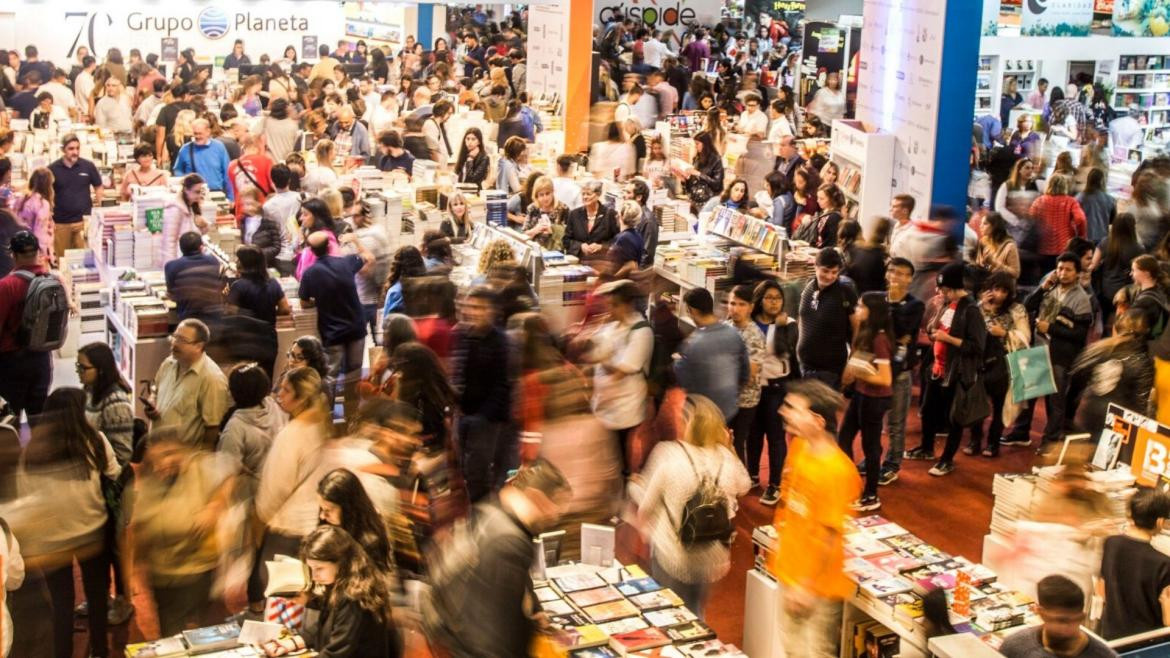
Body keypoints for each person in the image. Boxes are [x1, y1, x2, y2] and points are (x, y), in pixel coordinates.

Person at [4, 388, 120, 658]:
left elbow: (23, 491)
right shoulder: (95, 441)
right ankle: (100, 651)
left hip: (52, 540)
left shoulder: (33, 451)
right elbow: (115, 473)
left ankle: (63, 653)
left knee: (62, 604)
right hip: (92, 533)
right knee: (97, 598)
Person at [423, 458, 570, 656]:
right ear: (537, 497)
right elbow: (493, 635)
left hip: (453, 635)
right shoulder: (508, 542)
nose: (556, 516)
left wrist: (535, 611)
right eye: (556, 507)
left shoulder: (491, 510)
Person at [636, 394, 750, 618]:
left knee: (668, 615)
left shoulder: (667, 454)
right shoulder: (726, 458)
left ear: (686, 422)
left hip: (673, 554)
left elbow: (645, 508)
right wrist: (730, 448)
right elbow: (744, 486)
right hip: (712, 557)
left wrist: (635, 486)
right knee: (697, 611)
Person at [770, 379, 861, 658]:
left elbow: (829, 535)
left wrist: (806, 586)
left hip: (816, 590)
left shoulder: (836, 472)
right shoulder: (799, 447)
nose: (783, 412)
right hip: (791, 573)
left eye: (792, 408)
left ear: (818, 420)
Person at [129, 427, 233, 636]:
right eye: (157, 458)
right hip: (164, 575)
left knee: (205, 634)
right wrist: (133, 572)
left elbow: (230, 473)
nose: (163, 463)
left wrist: (214, 506)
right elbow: (136, 535)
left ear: (183, 452)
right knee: (171, 635)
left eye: (169, 454)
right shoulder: (143, 487)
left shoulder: (201, 468)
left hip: (199, 571)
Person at [248, 366, 333, 618]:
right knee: (305, 606)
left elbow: (274, 490)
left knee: (282, 607)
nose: (279, 394)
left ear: (300, 398)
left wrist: (259, 522)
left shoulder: (292, 435)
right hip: (315, 527)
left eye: (285, 389)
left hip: (287, 532)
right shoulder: (323, 427)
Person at [903, 262, 987, 475]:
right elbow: (935, 328)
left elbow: (977, 346)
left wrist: (948, 338)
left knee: (954, 418)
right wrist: (933, 331)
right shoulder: (945, 304)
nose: (939, 292)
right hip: (937, 368)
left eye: (944, 289)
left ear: (953, 288)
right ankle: (926, 447)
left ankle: (947, 458)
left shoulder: (971, 310)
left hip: (957, 372)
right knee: (929, 411)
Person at [1003, 253, 1093, 449]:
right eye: (1060, 268)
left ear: (1077, 273)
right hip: (1037, 347)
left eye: (1068, 269)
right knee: (1028, 396)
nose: (1063, 273)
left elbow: (1079, 334)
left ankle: (1050, 442)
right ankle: (1020, 433)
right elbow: (1026, 307)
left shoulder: (1082, 299)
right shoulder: (1048, 287)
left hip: (1059, 356)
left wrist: (1050, 328)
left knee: (1055, 402)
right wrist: (1041, 289)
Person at [299, 231, 375, 419]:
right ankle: (352, 413)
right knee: (354, 373)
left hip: (331, 332)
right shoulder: (346, 263)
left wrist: (319, 300)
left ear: (312, 251)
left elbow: (304, 301)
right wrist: (356, 240)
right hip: (356, 328)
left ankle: (331, 414)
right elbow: (368, 257)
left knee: (331, 375)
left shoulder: (310, 273)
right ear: (329, 245)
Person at [580, 279, 652, 476]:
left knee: (620, 452)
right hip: (604, 402)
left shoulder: (641, 331)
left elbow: (627, 366)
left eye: (614, 305)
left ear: (627, 304)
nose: (609, 309)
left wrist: (605, 362)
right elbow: (596, 353)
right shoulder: (611, 326)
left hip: (625, 404)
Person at [297, 525, 399, 657]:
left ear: (341, 562)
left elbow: (336, 653)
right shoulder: (339, 583)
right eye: (311, 568)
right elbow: (326, 629)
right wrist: (294, 642)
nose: (314, 576)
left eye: (319, 568)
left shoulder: (353, 597)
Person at [451, 286, 514, 502]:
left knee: (478, 472)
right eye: (470, 307)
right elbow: (460, 372)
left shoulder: (501, 342)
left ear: (492, 310)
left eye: (479, 307)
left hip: (488, 420)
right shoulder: (464, 335)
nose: (473, 312)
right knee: (464, 468)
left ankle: (479, 513)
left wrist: (482, 418)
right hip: (465, 415)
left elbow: (502, 385)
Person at [837, 292, 895, 512]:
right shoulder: (865, 333)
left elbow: (885, 378)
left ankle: (871, 494)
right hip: (862, 395)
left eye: (861, 306)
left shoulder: (879, 338)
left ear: (873, 311)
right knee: (844, 437)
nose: (857, 310)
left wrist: (860, 372)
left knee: (870, 447)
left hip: (875, 399)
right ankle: (851, 484)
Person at [968, 272, 1030, 458]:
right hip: (979, 361)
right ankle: (974, 440)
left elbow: (1025, 337)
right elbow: (970, 329)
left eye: (1004, 291)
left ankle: (993, 443)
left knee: (999, 405)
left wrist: (1003, 333)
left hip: (1004, 363)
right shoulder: (978, 307)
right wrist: (983, 308)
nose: (999, 295)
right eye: (996, 289)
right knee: (976, 404)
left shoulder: (1017, 310)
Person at [144, 316, 229, 449]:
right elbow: (156, 390)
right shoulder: (168, 363)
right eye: (175, 337)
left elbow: (212, 427)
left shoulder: (211, 379)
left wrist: (199, 461)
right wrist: (152, 402)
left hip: (181, 460)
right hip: (157, 451)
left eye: (182, 340)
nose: (175, 343)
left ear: (199, 346)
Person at [1098, 487, 1170, 640]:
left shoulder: (1110, 543)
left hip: (1111, 636)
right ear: (1160, 522)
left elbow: (1102, 591)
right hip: (1145, 644)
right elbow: (1168, 620)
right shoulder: (1164, 564)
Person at [0, 231, 55, 423]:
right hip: (42, 360)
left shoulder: (7, 286)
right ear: (38, 252)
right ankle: (39, 454)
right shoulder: (51, 280)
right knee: (38, 422)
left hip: (11, 364)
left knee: (9, 422)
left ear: (13, 255)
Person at [674, 287, 749, 422]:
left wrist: (677, 362)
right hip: (729, 410)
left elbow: (684, 381)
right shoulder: (733, 334)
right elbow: (744, 374)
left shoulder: (692, 344)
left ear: (692, 311)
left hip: (702, 415)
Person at [1000, 575, 1118, 658]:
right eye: (1060, 621)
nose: (1067, 629)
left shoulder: (1105, 656)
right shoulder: (1015, 647)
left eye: (1075, 620)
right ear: (1041, 613)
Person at [796, 248, 858, 397]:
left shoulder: (845, 292)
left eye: (834, 272)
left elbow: (858, 329)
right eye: (825, 271)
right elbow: (802, 319)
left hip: (830, 370)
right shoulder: (808, 287)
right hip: (804, 366)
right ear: (815, 267)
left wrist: (852, 363)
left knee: (823, 417)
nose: (830, 276)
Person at [48, 134, 102, 257]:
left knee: (85, 259)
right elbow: (46, 193)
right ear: (63, 150)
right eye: (71, 149)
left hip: (83, 221)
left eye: (77, 148)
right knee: (62, 259)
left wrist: (100, 209)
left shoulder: (88, 166)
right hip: (60, 224)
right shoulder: (52, 169)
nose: (75, 152)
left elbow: (98, 186)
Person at [1030, 174, 1088, 274]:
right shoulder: (1071, 201)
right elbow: (1081, 219)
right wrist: (1080, 237)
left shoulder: (1039, 201)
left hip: (1042, 247)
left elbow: (1030, 220)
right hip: (1064, 248)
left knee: (1044, 278)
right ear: (1064, 186)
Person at [164, 231, 223, 322]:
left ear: (180, 248)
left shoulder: (171, 266)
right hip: (215, 317)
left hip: (188, 318)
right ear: (201, 247)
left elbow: (172, 295)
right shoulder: (213, 261)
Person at [172, 118, 233, 201]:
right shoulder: (185, 149)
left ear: (208, 132)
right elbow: (178, 170)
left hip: (216, 194)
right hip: (194, 196)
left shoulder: (219, 147)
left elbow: (227, 173)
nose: (197, 136)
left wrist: (231, 197)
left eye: (200, 133)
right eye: (195, 134)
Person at [561, 180, 616, 259]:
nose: (585, 197)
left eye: (588, 194)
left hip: (602, 261)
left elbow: (617, 241)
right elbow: (566, 240)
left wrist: (601, 247)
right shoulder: (574, 214)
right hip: (579, 261)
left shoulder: (610, 214)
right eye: (583, 194)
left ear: (598, 195)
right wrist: (580, 246)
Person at [14, 167, 55, 267]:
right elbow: (39, 234)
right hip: (33, 254)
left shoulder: (21, 199)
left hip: (19, 249)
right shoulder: (42, 204)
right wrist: (43, 255)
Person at [976, 212, 1022, 278]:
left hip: (1001, 285)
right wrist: (984, 264)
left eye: (985, 224)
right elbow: (987, 268)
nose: (980, 226)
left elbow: (1015, 273)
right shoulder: (983, 242)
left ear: (995, 226)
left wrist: (994, 262)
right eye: (981, 223)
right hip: (985, 280)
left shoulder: (1009, 246)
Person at [1077, 167, 1115, 245]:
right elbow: (1112, 220)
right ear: (1102, 181)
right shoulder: (1110, 200)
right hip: (1102, 240)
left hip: (1083, 239)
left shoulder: (1079, 198)